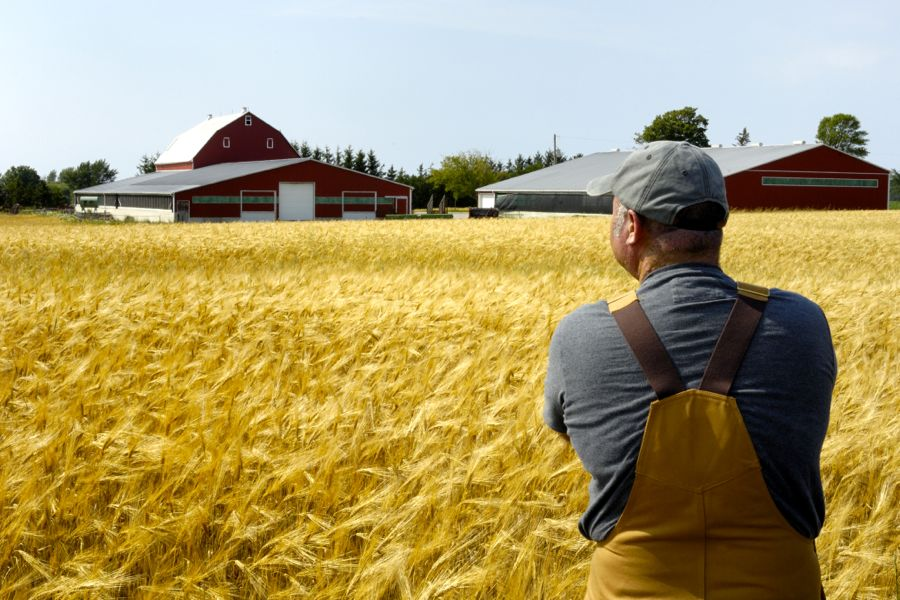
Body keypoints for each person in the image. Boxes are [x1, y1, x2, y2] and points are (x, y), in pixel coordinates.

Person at [543, 141, 836, 599]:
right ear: (718, 223)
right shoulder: (804, 323)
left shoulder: (580, 335)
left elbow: (568, 434)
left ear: (632, 226)